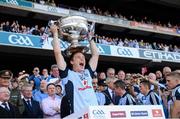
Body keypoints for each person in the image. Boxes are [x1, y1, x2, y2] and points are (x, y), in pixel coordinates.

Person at [50, 23, 99, 117]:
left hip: (94, 114)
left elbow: (96, 54)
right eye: (79, 57)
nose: (82, 59)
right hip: (78, 115)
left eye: (83, 58)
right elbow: (57, 53)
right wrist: (55, 33)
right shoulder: (67, 74)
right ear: (72, 61)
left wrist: (90, 39)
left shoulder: (88, 72)